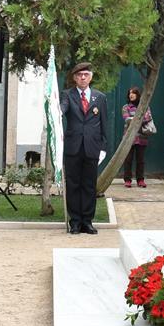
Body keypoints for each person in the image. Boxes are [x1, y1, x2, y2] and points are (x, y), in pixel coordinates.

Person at [61, 61, 106, 234]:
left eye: (86, 74)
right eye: (79, 75)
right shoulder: (68, 95)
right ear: (74, 78)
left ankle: (87, 221)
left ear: (91, 77)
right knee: (73, 184)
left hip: (92, 148)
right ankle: (75, 222)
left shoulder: (99, 97)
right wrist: (58, 110)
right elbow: (63, 108)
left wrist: (103, 147)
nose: (82, 77)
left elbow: (104, 124)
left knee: (89, 185)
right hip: (73, 148)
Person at [121, 86, 151, 188]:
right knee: (128, 159)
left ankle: (140, 180)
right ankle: (127, 180)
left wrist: (135, 118)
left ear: (138, 95)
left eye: (133, 93)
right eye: (130, 93)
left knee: (140, 160)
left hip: (141, 138)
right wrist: (139, 118)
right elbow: (126, 118)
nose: (131, 95)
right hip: (129, 138)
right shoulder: (126, 107)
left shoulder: (144, 106)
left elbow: (148, 117)